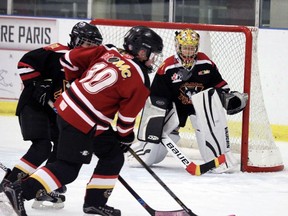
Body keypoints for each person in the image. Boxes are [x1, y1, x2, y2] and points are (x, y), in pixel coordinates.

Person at [1, 25, 163, 216]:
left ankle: (94, 202)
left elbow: (69, 60)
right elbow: (126, 119)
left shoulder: (108, 51)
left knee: (112, 155)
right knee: (68, 168)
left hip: (66, 107)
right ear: (142, 51)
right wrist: (125, 138)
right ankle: (19, 190)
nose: (154, 59)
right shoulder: (141, 79)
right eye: (153, 54)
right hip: (83, 121)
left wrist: (77, 83)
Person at [0, 21, 103, 209]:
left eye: (94, 45)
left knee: (61, 150)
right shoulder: (57, 52)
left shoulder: (90, 65)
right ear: (76, 40)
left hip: (57, 113)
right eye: (87, 43)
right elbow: (25, 63)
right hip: (34, 106)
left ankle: (42, 190)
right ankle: (7, 187)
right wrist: (40, 83)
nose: (91, 48)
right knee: (43, 146)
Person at [129, 28, 248, 173]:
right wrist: (157, 121)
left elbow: (218, 85)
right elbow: (156, 97)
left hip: (200, 108)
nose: (188, 52)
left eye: (191, 48)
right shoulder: (167, 67)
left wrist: (227, 97)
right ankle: (142, 151)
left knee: (208, 110)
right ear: (178, 47)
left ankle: (218, 158)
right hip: (175, 107)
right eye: (185, 48)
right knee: (150, 157)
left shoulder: (206, 63)